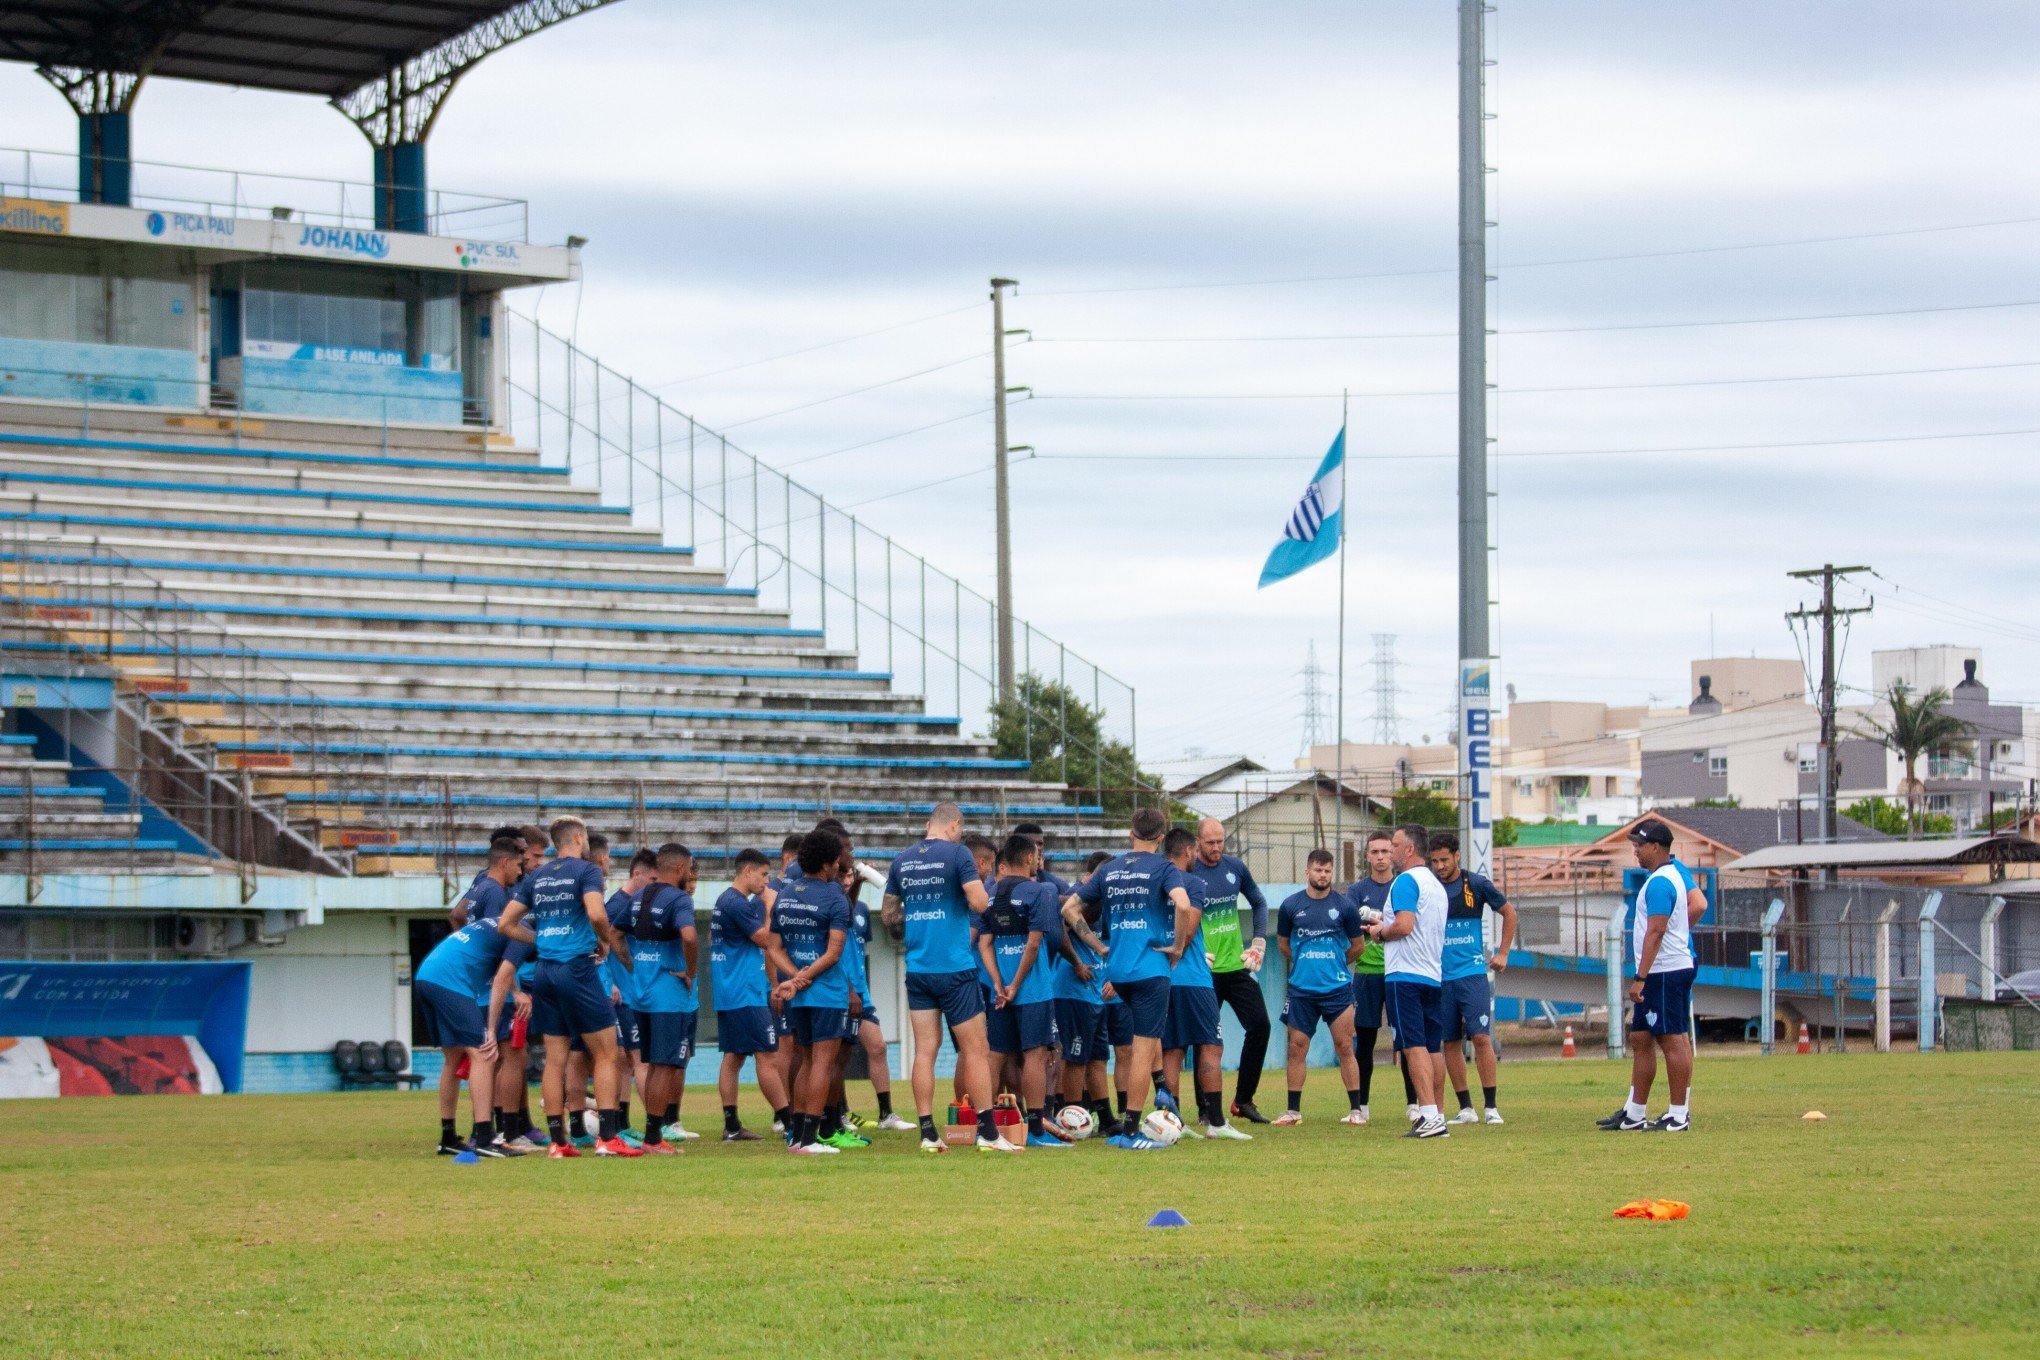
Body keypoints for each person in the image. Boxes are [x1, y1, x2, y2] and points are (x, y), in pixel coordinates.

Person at [494, 815, 640, 1158]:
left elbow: (505, 924)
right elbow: (596, 914)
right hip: (577, 968)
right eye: (586, 834)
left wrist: (542, 939)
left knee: (555, 1060)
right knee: (606, 1053)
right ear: (577, 837)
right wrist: (604, 943)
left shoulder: (538, 876)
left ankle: (559, 1142)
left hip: (545, 972)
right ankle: (607, 1137)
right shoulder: (587, 871)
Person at [1069, 806, 1195, 1151]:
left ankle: (1153, 1098)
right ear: (1161, 836)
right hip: (1150, 970)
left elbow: (1069, 909)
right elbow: (1183, 906)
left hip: (1118, 971)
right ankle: (1130, 1130)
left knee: (1144, 1037)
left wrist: (1098, 945)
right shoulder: (1164, 868)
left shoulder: (1109, 869)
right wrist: (1177, 948)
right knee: (1142, 1047)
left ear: (1130, 834)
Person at [879, 803, 1003, 1153]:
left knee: (925, 1051)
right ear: (955, 825)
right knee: (976, 1050)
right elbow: (979, 902)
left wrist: (920, 922)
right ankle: (989, 1134)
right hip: (955, 966)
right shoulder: (959, 854)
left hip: (918, 968)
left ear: (927, 823)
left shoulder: (902, 860)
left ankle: (927, 1132)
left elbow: (889, 916)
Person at [415, 836, 526, 1157]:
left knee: (453, 1059)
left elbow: (458, 915)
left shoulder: (482, 891)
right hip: (451, 981)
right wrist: (494, 1024)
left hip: (430, 973)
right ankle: (484, 1137)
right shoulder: (516, 926)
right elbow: (504, 975)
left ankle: (448, 1136)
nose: (520, 872)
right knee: (483, 1053)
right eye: (518, 864)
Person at [1597, 820, 1698, 1133]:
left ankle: (1678, 1114)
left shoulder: (1660, 883)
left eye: (1640, 845)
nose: (1635, 851)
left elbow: (1656, 930)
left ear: (1657, 846)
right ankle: (1635, 1112)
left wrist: (1641, 977)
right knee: (1641, 1037)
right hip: (1659, 970)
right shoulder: (1661, 878)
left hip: (1665, 970)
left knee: (1672, 1039)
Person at [772, 827, 859, 1154]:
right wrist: (803, 978)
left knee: (806, 1060)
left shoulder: (787, 893)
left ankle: (797, 1136)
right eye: (837, 859)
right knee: (822, 1062)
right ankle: (809, 1139)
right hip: (825, 992)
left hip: (799, 994)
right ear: (828, 863)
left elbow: (774, 947)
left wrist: (794, 977)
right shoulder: (835, 896)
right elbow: (834, 952)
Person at [980, 832, 1069, 1149]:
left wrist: (997, 982)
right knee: (1035, 1055)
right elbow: (1034, 943)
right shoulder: (1040, 892)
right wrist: (1016, 984)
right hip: (1031, 991)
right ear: (1030, 859)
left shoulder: (991, 895)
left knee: (995, 1056)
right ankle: (1035, 1129)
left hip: (999, 993)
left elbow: (984, 942)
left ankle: (986, 1127)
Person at [1161, 827, 1250, 1140]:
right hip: (1194, 978)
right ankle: (1216, 1122)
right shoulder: (1191, 882)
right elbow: (1189, 926)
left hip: (1162, 981)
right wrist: (1178, 953)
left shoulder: (1152, 883)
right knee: (1211, 1047)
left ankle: (1174, 1122)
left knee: (1171, 1051)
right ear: (1188, 851)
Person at [1427, 830, 1517, 1126]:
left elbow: (1509, 912)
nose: (1439, 866)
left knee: (1480, 1037)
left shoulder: (1475, 884)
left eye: (1444, 860)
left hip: (1472, 974)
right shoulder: (1428, 888)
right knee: (1449, 1042)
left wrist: (1503, 953)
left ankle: (1491, 1107)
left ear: (1457, 856)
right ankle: (1466, 1108)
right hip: (1439, 979)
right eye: (1434, 861)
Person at [1271, 849, 1366, 1127]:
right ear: (1307, 872)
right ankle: (1293, 1112)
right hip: (1301, 991)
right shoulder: (1291, 906)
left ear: (1331, 873)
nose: (1322, 875)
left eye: (1327, 871)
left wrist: (1334, 963)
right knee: (1297, 1048)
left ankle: (1356, 1111)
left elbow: (1358, 946)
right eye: (1317, 870)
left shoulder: (1345, 906)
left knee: (1345, 1046)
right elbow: (1283, 945)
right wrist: (1306, 964)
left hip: (1337, 990)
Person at [711, 848, 798, 1141]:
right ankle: (789, 1123)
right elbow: (766, 940)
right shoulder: (736, 903)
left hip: (731, 990)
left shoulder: (726, 901)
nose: (766, 881)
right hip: (744, 991)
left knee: (733, 1057)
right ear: (747, 871)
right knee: (768, 1056)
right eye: (762, 875)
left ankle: (732, 1125)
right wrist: (771, 906)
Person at [1369, 824, 1450, 1140]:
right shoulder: (1436, 885)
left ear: (1410, 849)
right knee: (1433, 1048)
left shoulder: (1405, 881)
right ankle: (1438, 1116)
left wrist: (1380, 932)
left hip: (1405, 974)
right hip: (1431, 973)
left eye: (1395, 845)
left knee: (1412, 1045)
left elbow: (1403, 926)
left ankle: (1428, 1116)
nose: (1390, 851)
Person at [630, 843, 699, 1155]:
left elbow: (614, 933)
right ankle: (654, 1138)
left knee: (656, 1065)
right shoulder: (679, 899)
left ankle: (653, 1136)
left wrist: (631, 965)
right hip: (668, 996)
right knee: (665, 1065)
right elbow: (688, 936)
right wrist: (691, 971)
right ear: (682, 869)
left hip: (642, 992)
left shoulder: (637, 897)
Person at [1346, 829, 1399, 1125]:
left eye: (1385, 851)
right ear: (1367, 856)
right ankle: (1361, 1106)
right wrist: (1380, 924)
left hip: (1397, 972)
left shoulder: (1402, 886)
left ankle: (1414, 1104)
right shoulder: (1356, 891)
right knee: (1364, 1043)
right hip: (1365, 973)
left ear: (1393, 853)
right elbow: (1353, 923)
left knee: (1404, 1041)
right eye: (1374, 852)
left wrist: (1375, 923)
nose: (1380, 857)